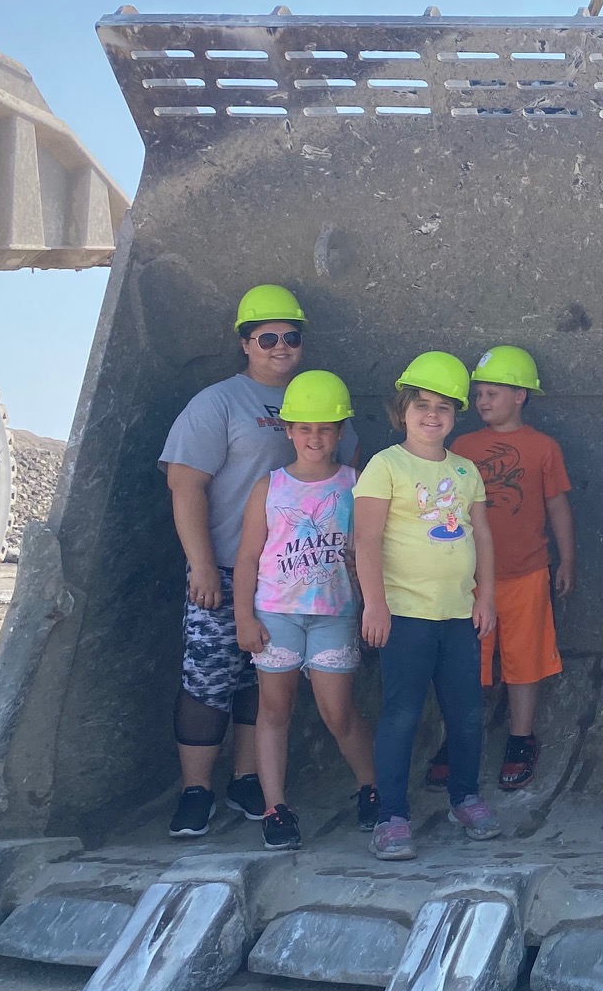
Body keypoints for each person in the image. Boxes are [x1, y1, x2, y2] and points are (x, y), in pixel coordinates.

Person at [159, 283, 358, 838]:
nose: (279, 346)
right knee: (208, 678)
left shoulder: (319, 400)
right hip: (226, 569)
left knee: (260, 681)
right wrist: (200, 565)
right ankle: (195, 790)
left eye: (290, 337)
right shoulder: (218, 403)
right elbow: (185, 484)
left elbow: (352, 484)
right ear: (245, 344)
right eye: (266, 337)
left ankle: (247, 780)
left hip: (298, 578)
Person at [355, 352, 498, 861]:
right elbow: (366, 540)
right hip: (405, 616)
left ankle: (465, 798)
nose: (431, 415)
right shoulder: (385, 465)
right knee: (401, 715)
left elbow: (481, 533)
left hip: (458, 616)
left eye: (443, 406)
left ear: (456, 414)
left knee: (466, 715)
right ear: (403, 410)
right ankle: (392, 816)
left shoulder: (465, 470)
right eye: (421, 405)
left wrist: (487, 595)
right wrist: (375, 605)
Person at [230, 369, 376, 849]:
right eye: (305, 428)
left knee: (338, 711)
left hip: (335, 612)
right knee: (275, 709)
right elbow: (249, 556)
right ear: (288, 430)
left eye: (325, 428)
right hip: (276, 613)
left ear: (339, 433)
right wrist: (243, 618)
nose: (315, 437)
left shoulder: (356, 484)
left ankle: (371, 787)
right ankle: (276, 808)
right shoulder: (268, 488)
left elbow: (372, 550)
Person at [432, 345, 574, 793]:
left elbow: (557, 504)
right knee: (463, 662)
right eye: (478, 394)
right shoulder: (460, 446)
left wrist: (567, 558)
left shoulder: (543, 447)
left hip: (528, 572)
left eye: (493, 393)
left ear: (521, 396)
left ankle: (520, 737)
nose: (482, 402)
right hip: (467, 577)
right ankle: (457, 739)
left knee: (523, 659)